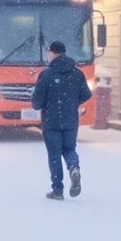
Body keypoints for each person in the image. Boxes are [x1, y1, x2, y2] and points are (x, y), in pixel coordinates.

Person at [31, 40, 92, 200]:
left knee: (54, 154)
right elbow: (87, 94)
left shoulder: (46, 74)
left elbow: (36, 102)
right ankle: (73, 168)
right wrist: (71, 103)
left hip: (51, 121)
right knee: (69, 149)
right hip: (71, 120)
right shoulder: (77, 73)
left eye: (48, 52)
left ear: (53, 53)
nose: (48, 55)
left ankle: (57, 190)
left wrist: (43, 104)